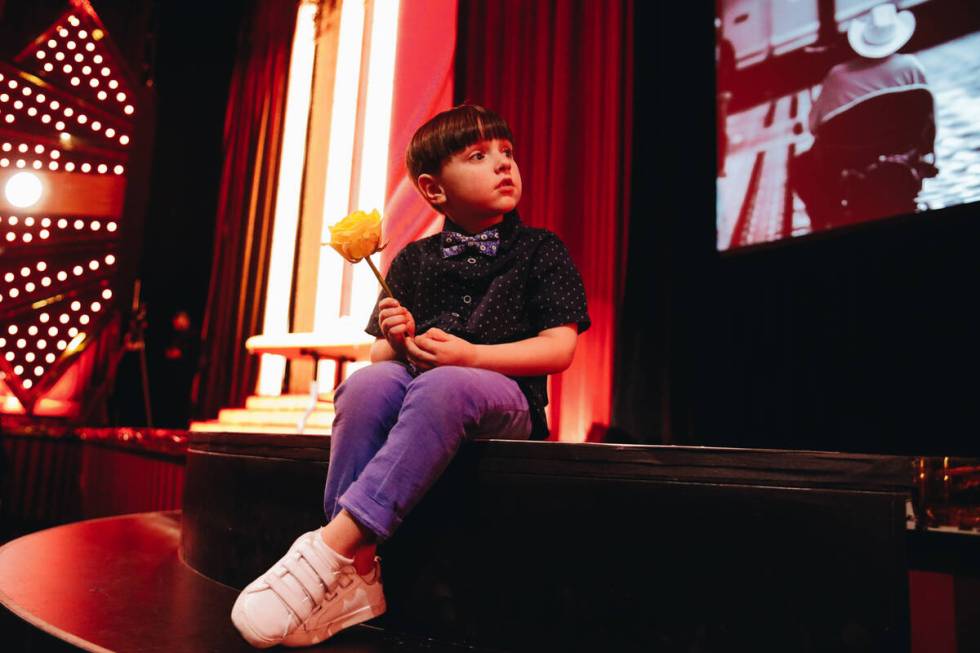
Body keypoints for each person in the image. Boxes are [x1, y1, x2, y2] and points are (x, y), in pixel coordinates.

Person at [230, 105, 590, 648]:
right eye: (479, 156)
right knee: (367, 384)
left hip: (506, 402)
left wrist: (470, 358)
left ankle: (330, 550)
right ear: (433, 188)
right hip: (422, 391)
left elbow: (559, 349)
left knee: (441, 385)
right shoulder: (414, 260)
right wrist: (395, 338)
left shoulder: (541, 249)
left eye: (507, 153)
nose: (503, 165)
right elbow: (380, 356)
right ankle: (361, 569)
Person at [793, 3, 934, 227]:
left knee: (800, 167)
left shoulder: (838, 76)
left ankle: (827, 221)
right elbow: (927, 123)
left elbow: (815, 126)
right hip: (902, 160)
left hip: (850, 165)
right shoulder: (911, 67)